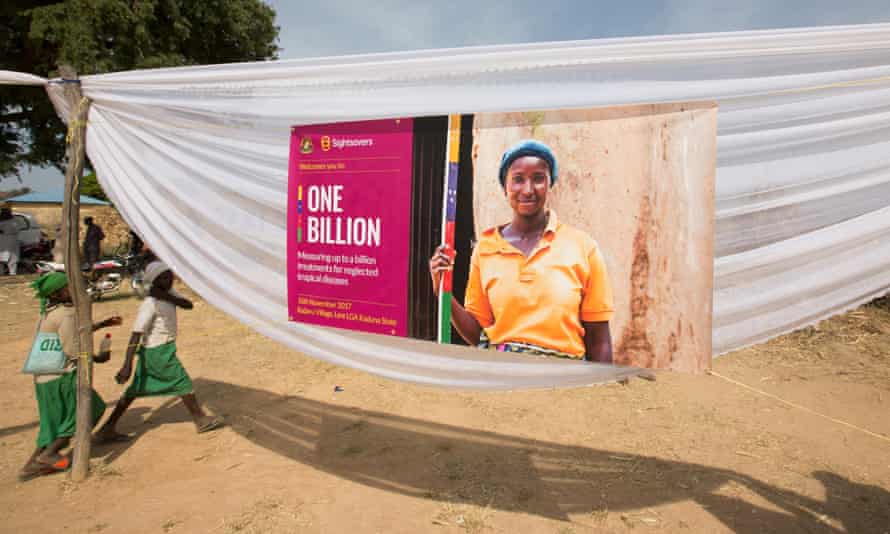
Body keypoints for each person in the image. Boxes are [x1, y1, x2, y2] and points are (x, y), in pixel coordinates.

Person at [429, 139, 614, 362]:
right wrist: (443, 291)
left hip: (563, 383)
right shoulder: (486, 248)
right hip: (503, 379)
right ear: (505, 186)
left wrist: (602, 392)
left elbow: (599, 339)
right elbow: (477, 333)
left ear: (549, 183)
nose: (528, 190)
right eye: (518, 179)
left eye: (538, 179)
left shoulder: (583, 247)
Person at [95, 261, 223, 441]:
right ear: (154, 281)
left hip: (159, 349)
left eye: (169, 275)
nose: (168, 279)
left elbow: (188, 305)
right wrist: (127, 364)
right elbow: (136, 334)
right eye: (163, 277)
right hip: (157, 351)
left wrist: (166, 296)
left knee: (134, 391)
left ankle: (106, 430)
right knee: (182, 381)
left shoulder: (168, 293)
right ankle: (201, 419)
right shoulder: (150, 303)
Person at [19, 272, 122, 481]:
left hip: (43, 378)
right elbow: (73, 350)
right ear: (58, 293)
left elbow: (72, 333)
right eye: (70, 287)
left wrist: (100, 325)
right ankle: (49, 455)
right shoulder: (67, 314)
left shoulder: (50, 311)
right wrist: (98, 358)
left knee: (53, 423)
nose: (76, 290)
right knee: (89, 409)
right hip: (61, 376)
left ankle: (32, 465)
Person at [0, 207, 20, 275]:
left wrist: (3, 231)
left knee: (12, 262)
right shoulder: (14, 221)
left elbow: (13, 230)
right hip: (3, 243)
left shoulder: (14, 221)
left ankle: (12, 275)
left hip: (10, 243)